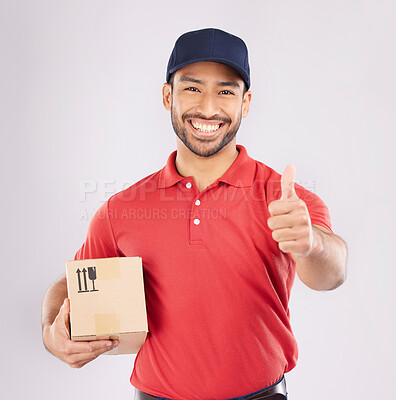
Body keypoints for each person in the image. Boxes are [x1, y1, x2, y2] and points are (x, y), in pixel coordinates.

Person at [41, 28, 348, 400]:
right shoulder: (122, 209)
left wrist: (310, 243)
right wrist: (50, 330)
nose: (207, 108)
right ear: (168, 95)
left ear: (245, 103)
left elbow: (332, 273)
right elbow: (73, 282)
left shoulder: (287, 201)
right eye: (192, 88)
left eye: (225, 91)